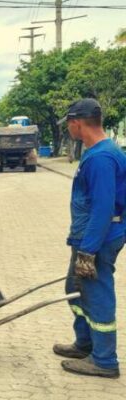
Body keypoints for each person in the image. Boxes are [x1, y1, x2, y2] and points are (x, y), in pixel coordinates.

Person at [54, 98, 126, 379]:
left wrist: (88, 251)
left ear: (77, 123)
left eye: (68, 125)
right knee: (74, 288)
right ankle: (85, 344)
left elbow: (103, 208)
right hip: (89, 237)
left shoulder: (101, 158)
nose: (68, 130)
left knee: (96, 294)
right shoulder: (100, 152)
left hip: (98, 239)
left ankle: (105, 360)